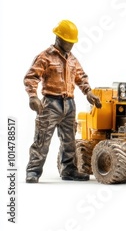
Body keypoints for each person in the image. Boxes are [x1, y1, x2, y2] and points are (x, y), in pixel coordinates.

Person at [24, 20, 102, 183]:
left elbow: (81, 77)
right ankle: (33, 171)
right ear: (59, 38)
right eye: (69, 41)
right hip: (50, 104)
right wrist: (33, 96)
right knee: (42, 138)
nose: (71, 45)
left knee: (69, 141)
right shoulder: (45, 57)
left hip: (69, 104)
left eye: (73, 42)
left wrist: (89, 92)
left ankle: (69, 170)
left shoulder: (72, 60)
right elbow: (31, 77)